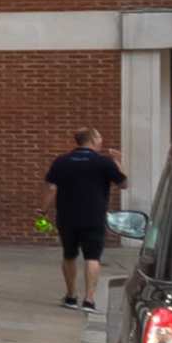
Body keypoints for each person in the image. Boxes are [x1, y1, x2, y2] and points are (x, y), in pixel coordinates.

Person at [41, 124, 128, 314]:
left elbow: (51, 188)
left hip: (67, 216)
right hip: (94, 216)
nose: (101, 141)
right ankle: (89, 300)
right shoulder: (104, 162)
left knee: (69, 254)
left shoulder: (62, 161)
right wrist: (118, 161)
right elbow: (124, 184)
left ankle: (71, 296)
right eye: (99, 138)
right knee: (92, 257)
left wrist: (43, 210)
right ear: (93, 140)